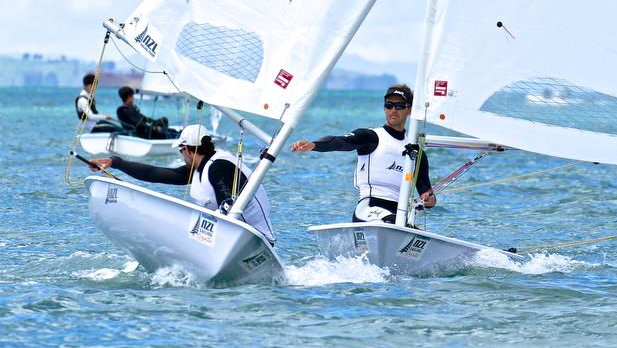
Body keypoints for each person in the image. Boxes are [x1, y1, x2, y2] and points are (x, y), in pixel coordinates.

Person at [87, 124, 276, 244]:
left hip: (254, 241)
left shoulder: (219, 166)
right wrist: (115, 162)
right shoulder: (201, 166)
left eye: (181, 152)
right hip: (233, 241)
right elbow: (156, 173)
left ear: (186, 149)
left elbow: (228, 207)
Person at [291, 83, 436, 224]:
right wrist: (314, 145)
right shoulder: (371, 137)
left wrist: (429, 200)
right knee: (393, 222)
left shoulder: (416, 153)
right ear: (384, 108)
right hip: (368, 208)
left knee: (413, 231)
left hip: (400, 214)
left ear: (409, 110)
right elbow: (339, 142)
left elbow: (428, 195)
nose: (393, 110)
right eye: (389, 105)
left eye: (399, 106)